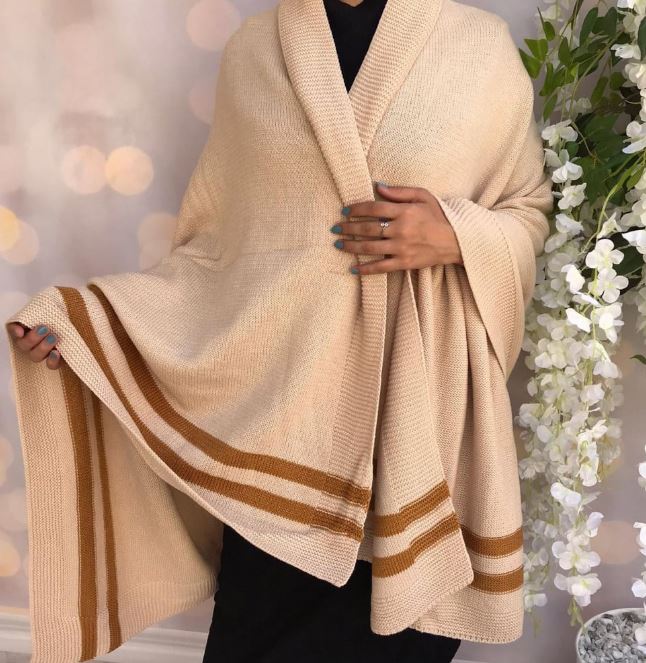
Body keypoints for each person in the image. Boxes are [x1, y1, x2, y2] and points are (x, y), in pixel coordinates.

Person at [6, 0, 554, 659]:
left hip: (416, 443)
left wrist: (456, 234)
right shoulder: (254, 51)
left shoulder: (478, 46)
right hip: (282, 455)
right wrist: (90, 325)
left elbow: (528, 212)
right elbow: (216, 257)